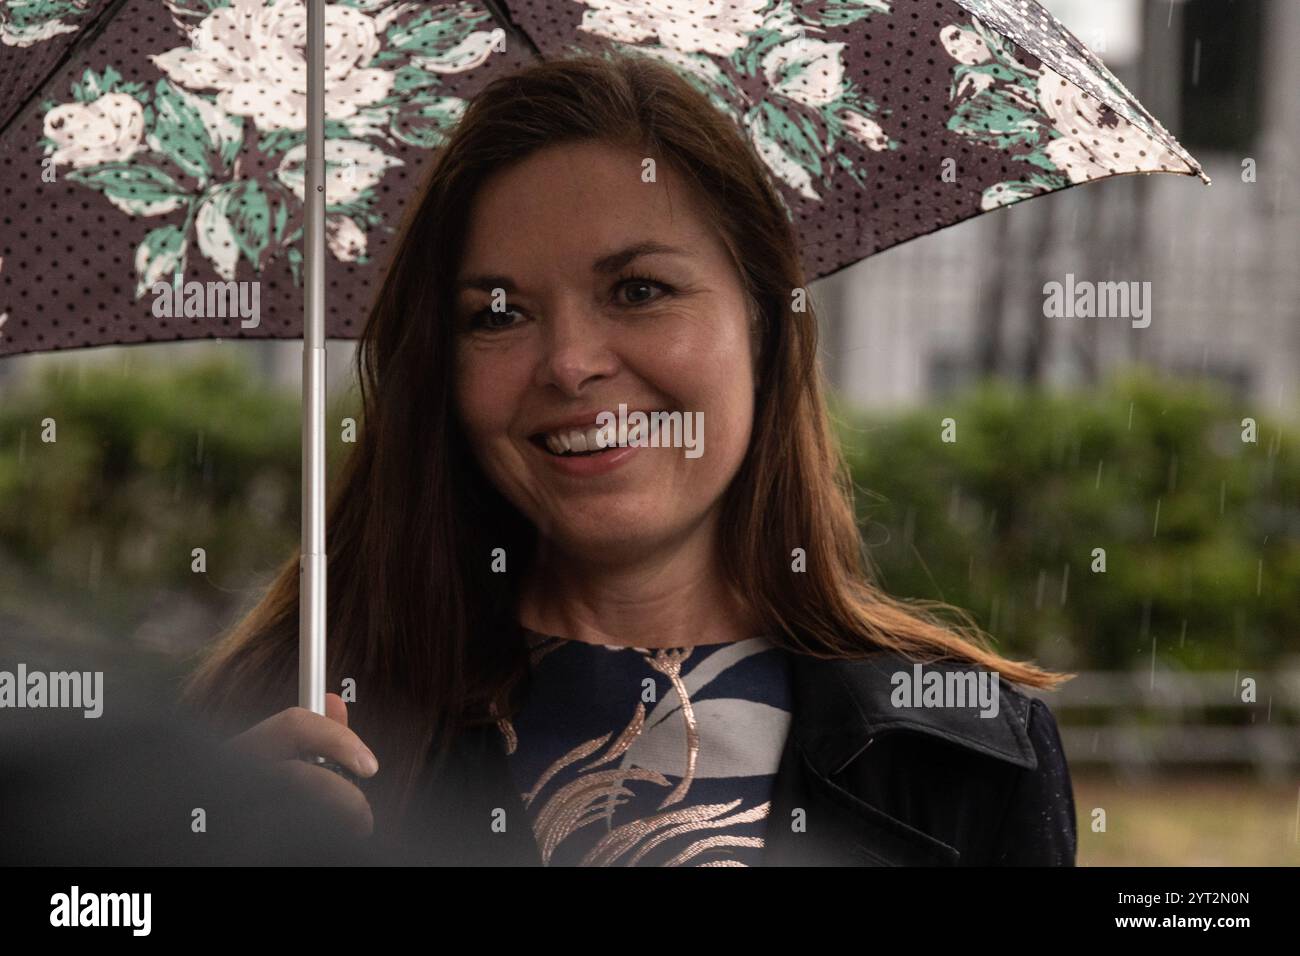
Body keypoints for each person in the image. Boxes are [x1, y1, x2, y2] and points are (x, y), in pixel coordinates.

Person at [181, 52, 1077, 867]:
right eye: (497, 313)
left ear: (763, 322)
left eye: (638, 290)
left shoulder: (970, 753)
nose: (570, 362)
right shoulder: (286, 723)